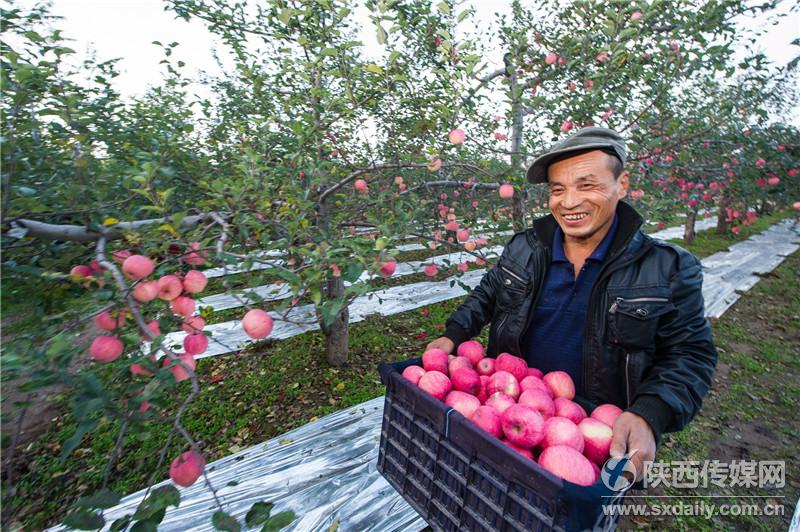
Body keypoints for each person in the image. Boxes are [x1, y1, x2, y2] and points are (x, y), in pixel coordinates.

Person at [425, 127, 718, 479]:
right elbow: (488, 293)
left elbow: (689, 353)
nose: (568, 202)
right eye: (557, 189)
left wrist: (650, 411)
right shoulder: (525, 247)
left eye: (587, 185)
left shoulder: (667, 267)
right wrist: (455, 333)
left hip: (592, 433)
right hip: (510, 411)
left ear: (621, 184)